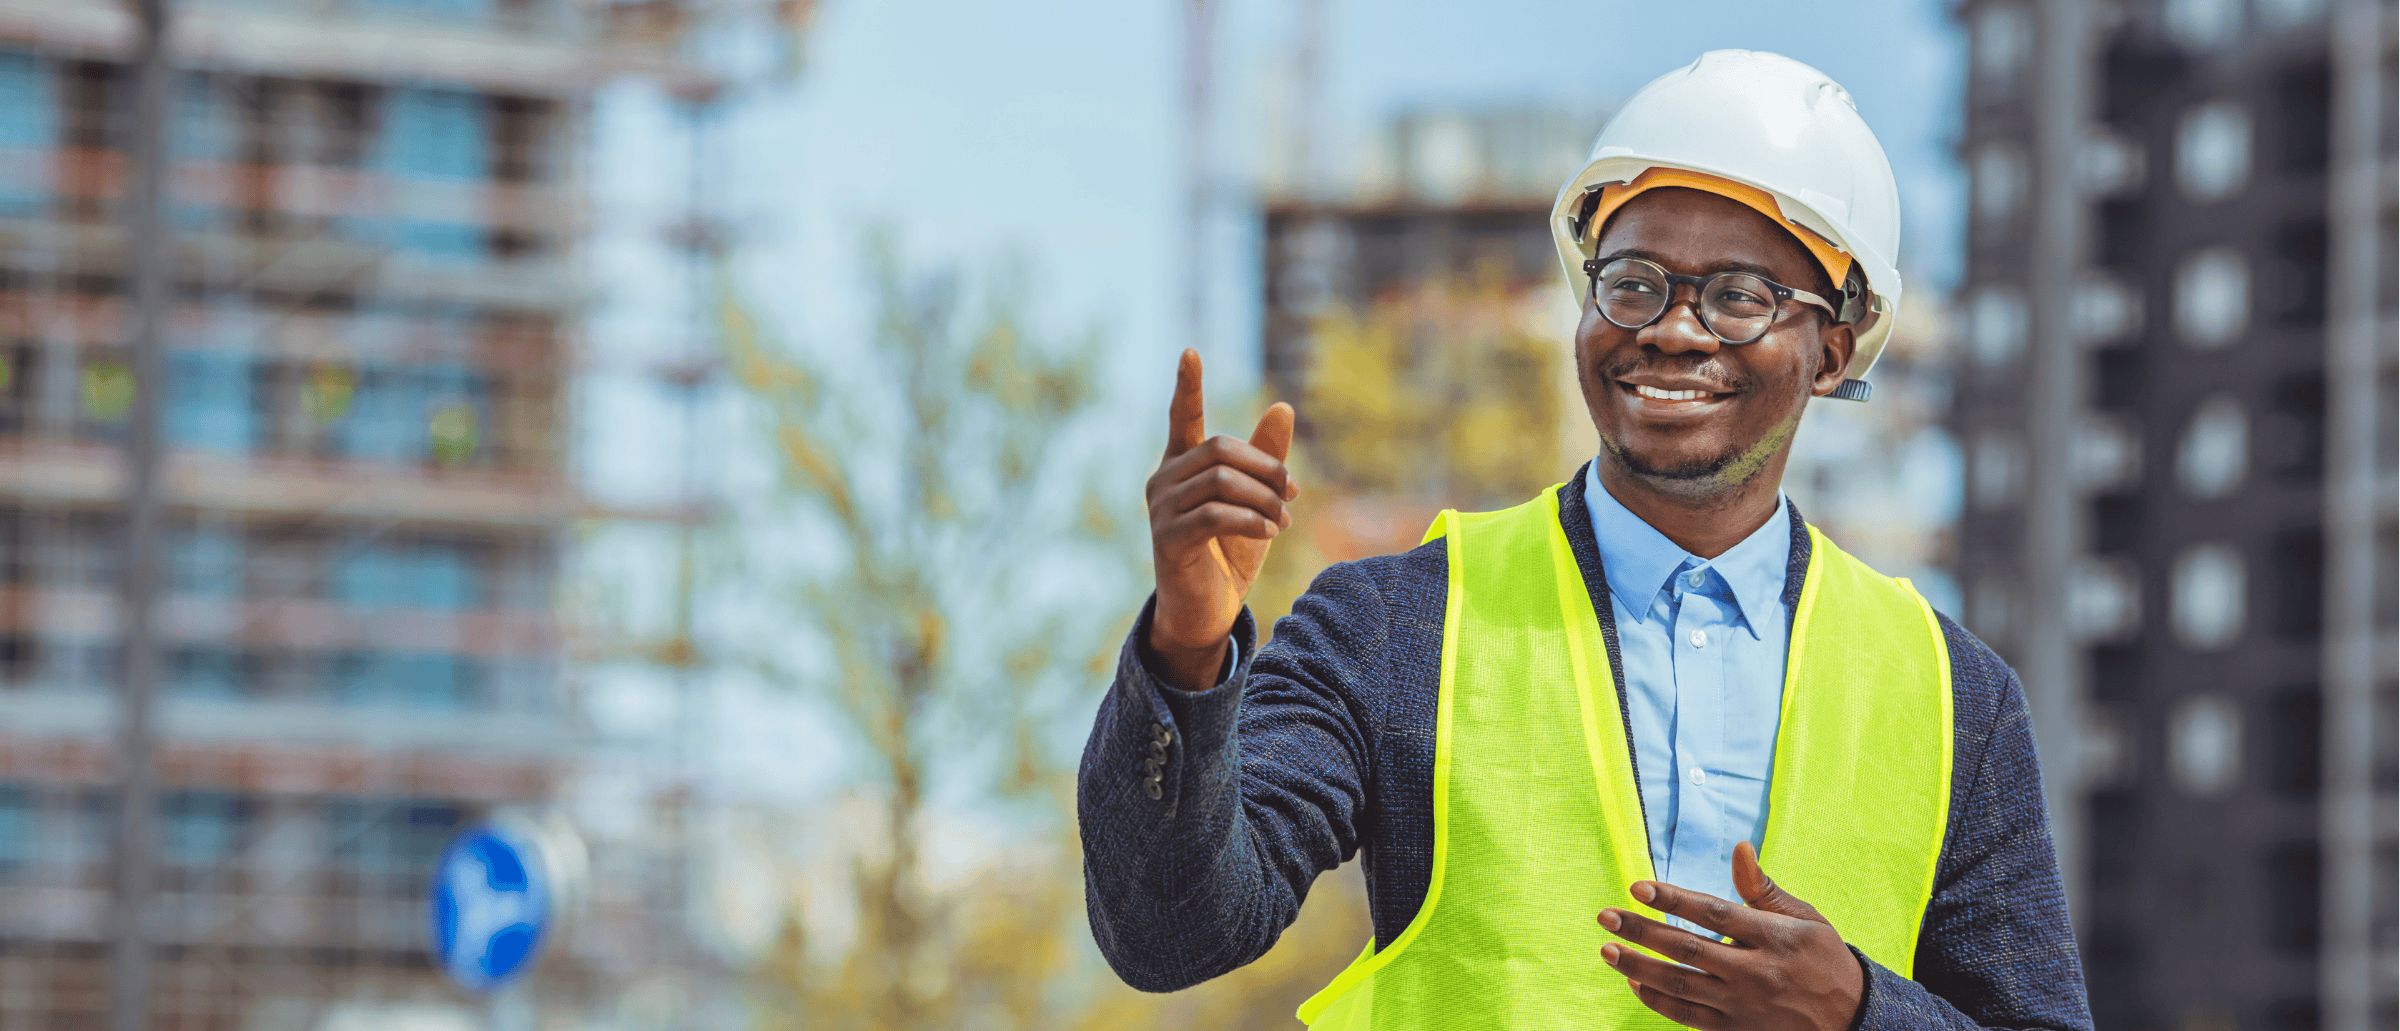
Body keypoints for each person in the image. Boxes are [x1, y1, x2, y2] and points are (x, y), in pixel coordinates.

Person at [1078, 51, 2093, 1031]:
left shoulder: (1955, 696)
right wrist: (1188, 649)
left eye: (1739, 295)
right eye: (1634, 279)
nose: (1672, 328)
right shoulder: (1395, 625)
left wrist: (1859, 1011)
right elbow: (1171, 934)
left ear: (1831, 347)